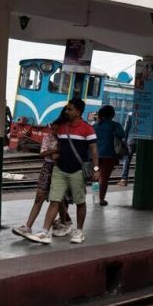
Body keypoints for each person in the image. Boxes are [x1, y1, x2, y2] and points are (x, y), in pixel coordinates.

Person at [27, 99, 98, 244]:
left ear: (78, 112)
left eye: (70, 109)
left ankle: (79, 231)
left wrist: (96, 169)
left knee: (80, 202)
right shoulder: (62, 127)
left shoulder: (87, 129)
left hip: (77, 171)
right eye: (66, 109)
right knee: (54, 200)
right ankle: (45, 232)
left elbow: (94, 151)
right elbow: (57, 142)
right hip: (60, 169)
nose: (66, 112)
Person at [13, 120, 72, 239]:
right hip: (48, 168)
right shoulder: (49, 138)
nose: (54, 132)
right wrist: (55, 151)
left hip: (59, 170)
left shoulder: (66, 140)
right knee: (40, 197)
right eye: (53, 129)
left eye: (57, 129)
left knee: (58, 199)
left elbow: (53, 155)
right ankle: (28, 226)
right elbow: (44, 153)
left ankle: (63, 223)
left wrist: (52, 153)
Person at [92, 105, 125, 206]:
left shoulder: (94, 125)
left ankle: (95, 198)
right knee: (104, 178)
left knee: (96, 178)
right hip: (108, 156)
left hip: (95, 157)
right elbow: (122, 135)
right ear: (112, 114)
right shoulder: (115, 125)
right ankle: (101, 199)